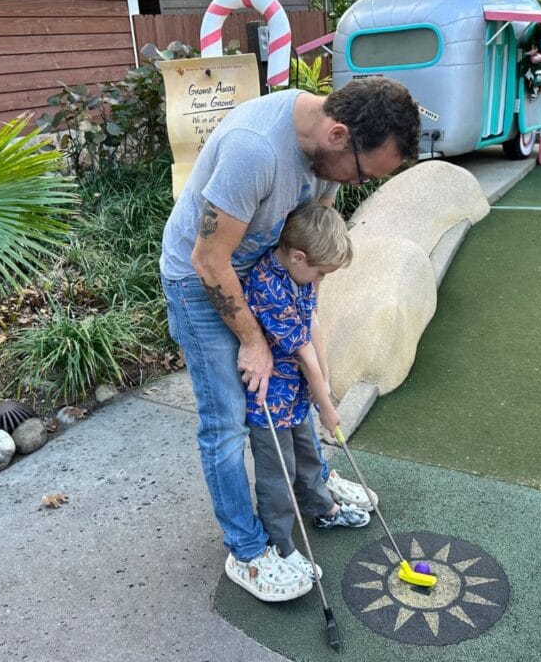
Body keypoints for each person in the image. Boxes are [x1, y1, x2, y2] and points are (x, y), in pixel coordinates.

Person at [160, 77, 421, 601]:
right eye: (364, 174)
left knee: (290, 391)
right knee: (227, 424)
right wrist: (254, 342)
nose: (353, 186)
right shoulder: (254, 151)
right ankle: (249, 550)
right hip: (201, 282)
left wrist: (302, 314)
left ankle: (313, 486)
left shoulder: (326, 159)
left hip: (261, 274)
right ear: (339, 135)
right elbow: (208, 260)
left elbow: (306, 233)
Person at [243, 202, 370, 585]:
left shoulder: (302, 277)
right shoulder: (268, 287)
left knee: (309, 453)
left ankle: (322, 508)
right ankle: (280, 545)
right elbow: (302, 354)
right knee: (278, 474)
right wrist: (327, 407)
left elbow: (313, 326)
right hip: (270, 399)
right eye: (320, 272)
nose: (321, 280)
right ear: (299, 257)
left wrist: (324, 389)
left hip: (295, 393)